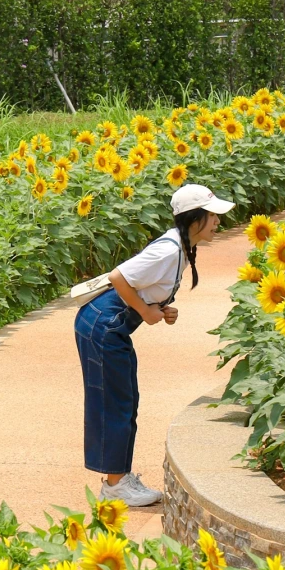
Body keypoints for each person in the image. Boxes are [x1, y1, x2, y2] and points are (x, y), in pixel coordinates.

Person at [74, 183, 234, 507]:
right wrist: (146, 312)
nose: (218, 221)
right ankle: (115, 487)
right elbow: (118, 277)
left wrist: (159, 308)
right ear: (194, 218)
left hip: (110, 326)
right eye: (212, 215)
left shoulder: (181, 248)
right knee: (115, 403)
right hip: (102, 326)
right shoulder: (170, 250)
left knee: (125, 400)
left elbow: (144, 287)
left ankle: (119, 478)